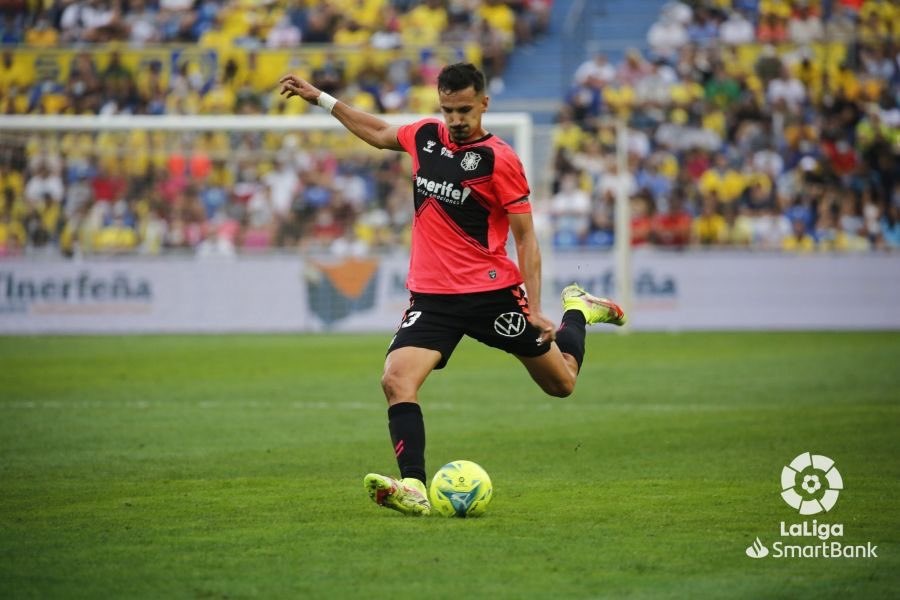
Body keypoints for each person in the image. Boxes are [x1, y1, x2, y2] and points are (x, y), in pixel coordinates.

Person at [279, 63, 626, 517]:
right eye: (448, 110)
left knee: (561, 384)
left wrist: (537, 308)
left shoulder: (500, 160)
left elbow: (525, 238)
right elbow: (381, 131)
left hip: (492, 296)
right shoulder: (424, 136)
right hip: (432, 298)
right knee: (396, 379)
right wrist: (321, 99)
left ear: (483, 103)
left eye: (464, 110)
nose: (456, 119)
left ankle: (578, 309)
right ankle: (414, 487)